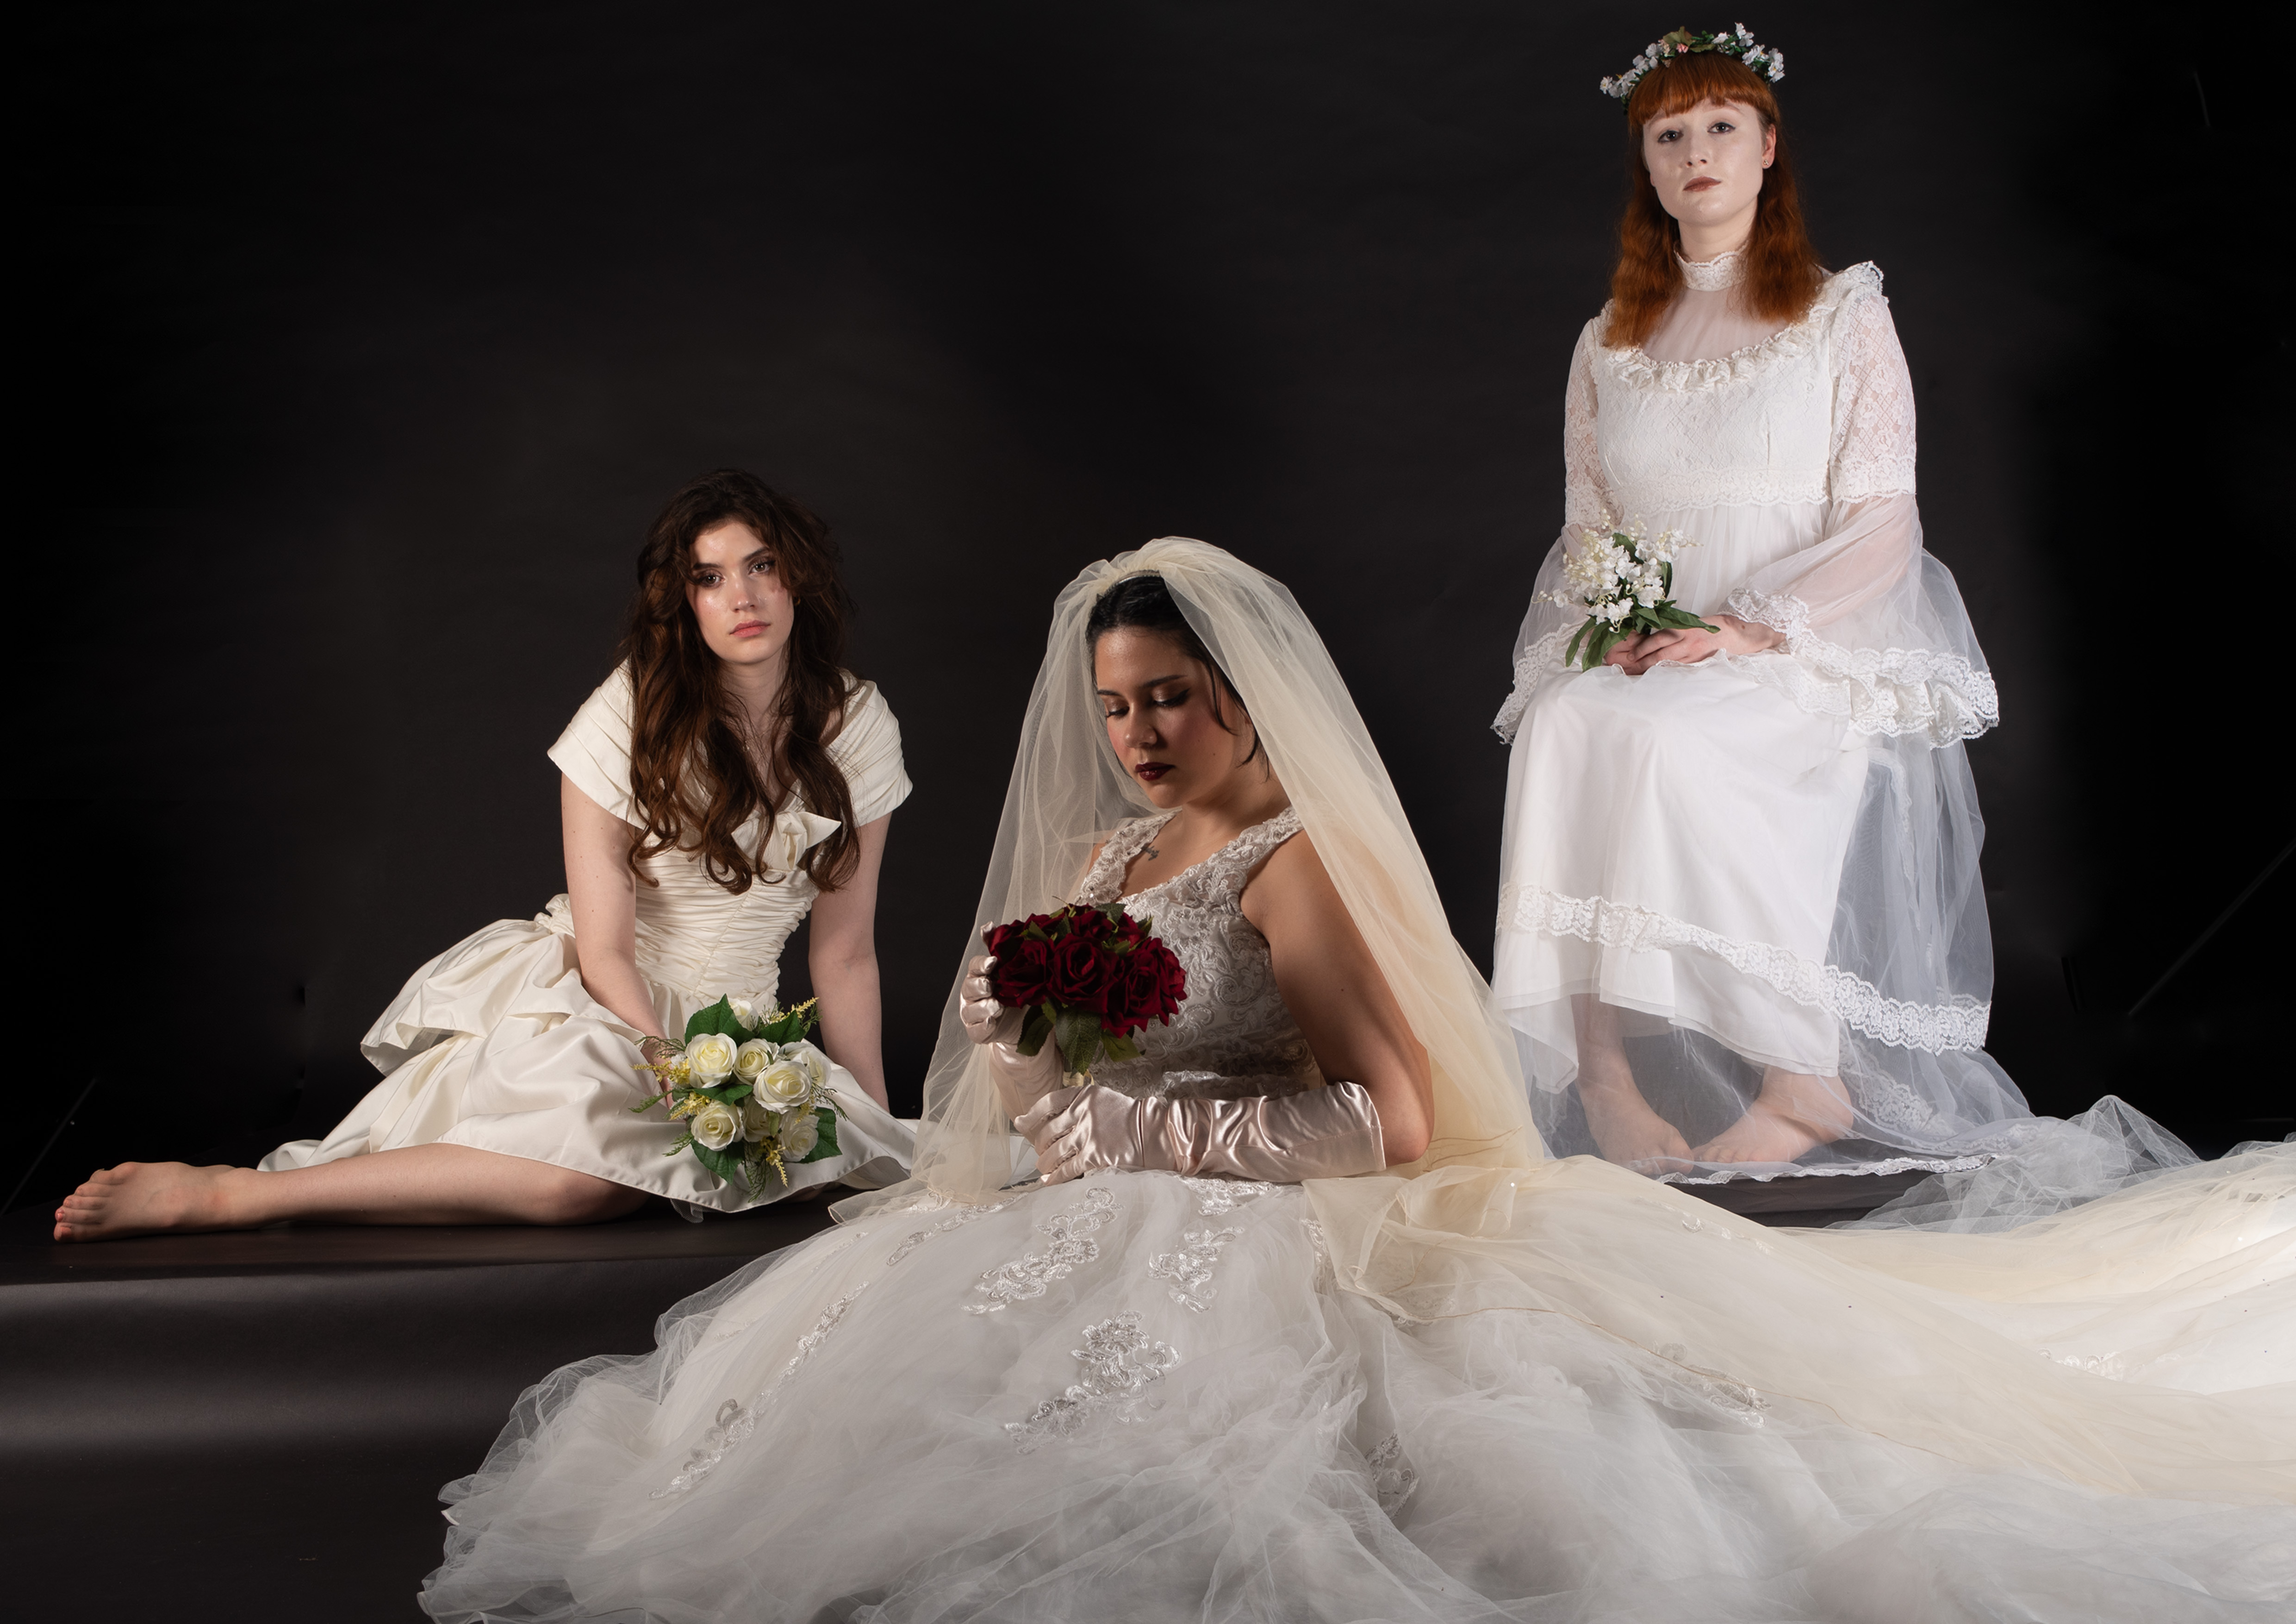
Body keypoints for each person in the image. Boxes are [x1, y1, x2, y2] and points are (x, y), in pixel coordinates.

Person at [417, 538, 2291, 1624]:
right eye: (1116, 704)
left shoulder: (1286, 859)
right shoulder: (1117, 851)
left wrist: (1140, 1124)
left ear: (1242, 693)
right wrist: (1023, 1041)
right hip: (1103, 1192)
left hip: (1268, 1215)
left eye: (1169, 695)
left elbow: (1388, 1114)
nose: (1138, 732)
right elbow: (1075, 1046)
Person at [1491, 31, 2103, 1187]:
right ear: (1647, 165)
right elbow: (1591, 525)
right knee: (1564, 724)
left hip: (1805, 645)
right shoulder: (1607, 343)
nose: (1697, 152)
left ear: (1768, 147)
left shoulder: (1839, 314)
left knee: (1670, 743)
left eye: (1722, 126)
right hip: (1659, 645)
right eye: (1670, 134)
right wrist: (1621, 625)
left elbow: (1882, 517)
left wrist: (1750, 627)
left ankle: (1803, 1075)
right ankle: (1605, 1077)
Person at [54, 470, 915, 1240]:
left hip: (744, 1033)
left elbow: (843, 953)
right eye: (711, 577)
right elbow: (607, 952)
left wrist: (873, 1127)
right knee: (581, 1186)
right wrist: (680, 1071)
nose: (743, 596)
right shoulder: (629, 715)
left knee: (817, 1170)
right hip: (610, 1005)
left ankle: (723, 1142)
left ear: (797, 575)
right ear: (682, 601)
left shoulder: (860, 724)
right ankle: (235, 1195)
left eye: (762, 566)